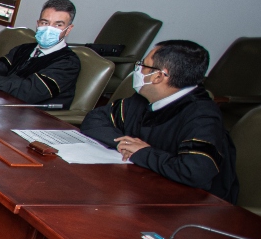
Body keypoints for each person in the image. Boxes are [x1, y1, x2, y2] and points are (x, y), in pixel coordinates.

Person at [81, 40, 238, 202]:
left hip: (189, 206)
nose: (138, 69)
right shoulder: (145, 98)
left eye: (143, 65)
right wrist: (126, 145)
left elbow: (194, 171)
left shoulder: (202, 116)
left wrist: (143, 152)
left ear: (158, 76)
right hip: (139, 187)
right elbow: (94, 119)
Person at [0, 0, 80, 108]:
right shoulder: (25, 48)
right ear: (37, 24)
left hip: (35, 118)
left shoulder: (68, 63)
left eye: (58, 25)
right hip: (3, 104)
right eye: (45, 23)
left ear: (68, 29)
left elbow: (29, 92)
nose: (49, 29)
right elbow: (2, 66)